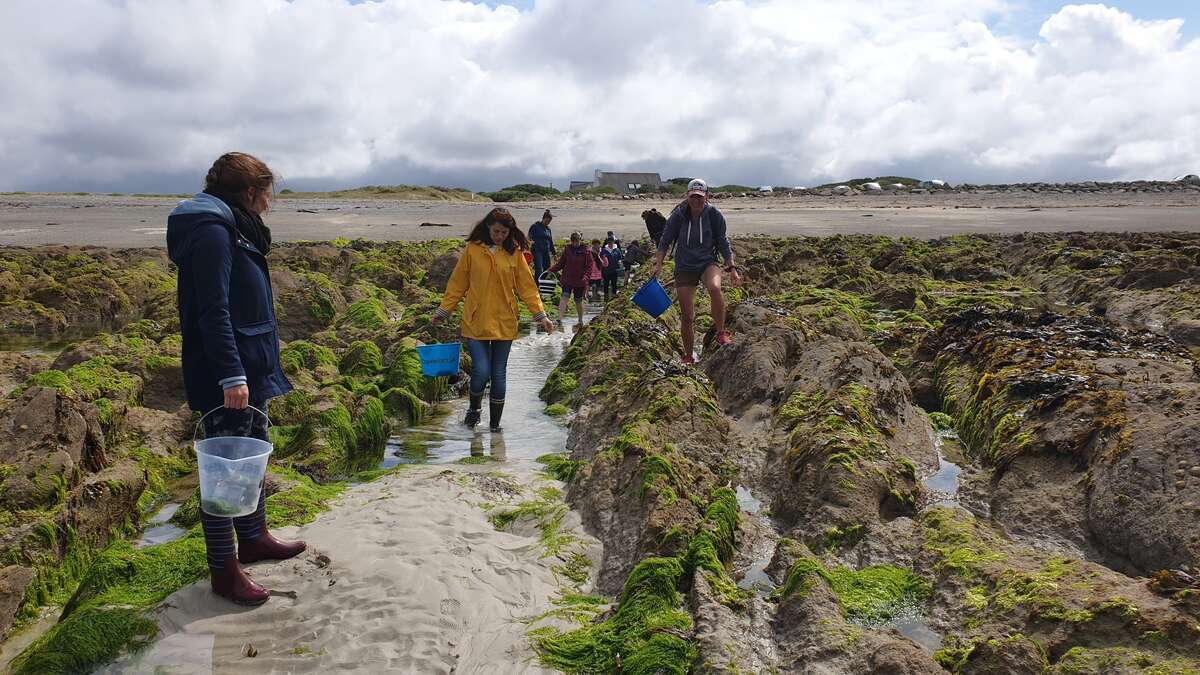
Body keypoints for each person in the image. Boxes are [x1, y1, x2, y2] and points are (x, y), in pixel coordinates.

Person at [167, 152, 306, 606]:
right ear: (251, 192)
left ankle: (254, 536)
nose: (270, 203)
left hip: (251, 361)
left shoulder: (235, 226)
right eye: (268, 193)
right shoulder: (212, 232)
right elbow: (213, 311)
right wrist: (230, 375)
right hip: (228, 371)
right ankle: (225, 571)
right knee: (225, 470)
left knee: (252, 453)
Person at [432, 207, 553, 431]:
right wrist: (444, 311)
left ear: (510, 232)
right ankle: (474, 409)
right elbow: (458, 283)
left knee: (498, 374)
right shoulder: (472, 250)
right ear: (488, 227)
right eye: (496, 231)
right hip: (475, 320)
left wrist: (541, 316)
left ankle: (495, 427)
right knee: (481, 371)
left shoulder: (514, 253)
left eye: (504, 233)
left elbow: (527, 288)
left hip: (505, 321)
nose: (499, 236)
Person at [652, 178, 741, 364]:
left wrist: (731, 267)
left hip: (708, 262)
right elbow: (665, 241)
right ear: (688, 196)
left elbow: (723, 242)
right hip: (684, 266)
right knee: (687, 316)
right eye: (693, 196)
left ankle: (721, 332)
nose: (697, 201)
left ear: (706, 196)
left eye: (700, 197)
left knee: (715, 288)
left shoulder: (714, 215)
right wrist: (658, 265)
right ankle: (688, 355)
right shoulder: (679, 215)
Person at [548, 231, 594, 325]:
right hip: (567, 278)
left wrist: (586, 278)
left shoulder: (587, 251)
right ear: (571, 241)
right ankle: (559, 319)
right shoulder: (567, 250)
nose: (575, 243)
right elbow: (561, 263)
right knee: (564, 297)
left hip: (580, 280)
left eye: (576, 241)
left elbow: (589, 267)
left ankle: (580, 320)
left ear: (580, 240)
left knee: (578, 300)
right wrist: (551, 270)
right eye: (573, 241)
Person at [528, 209, 556, 281]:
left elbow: (550, 241)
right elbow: (529, 237)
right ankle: (537, 285)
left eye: (549, 222)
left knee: (547, 268)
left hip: (546, 251)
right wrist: (529, 244)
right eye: (547, 221)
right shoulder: (535, 226)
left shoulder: (548, 229)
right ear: (543, 218)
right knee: (539, 268)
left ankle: (542, 282)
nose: (548, 223)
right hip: (537, 251)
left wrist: (554, 253)